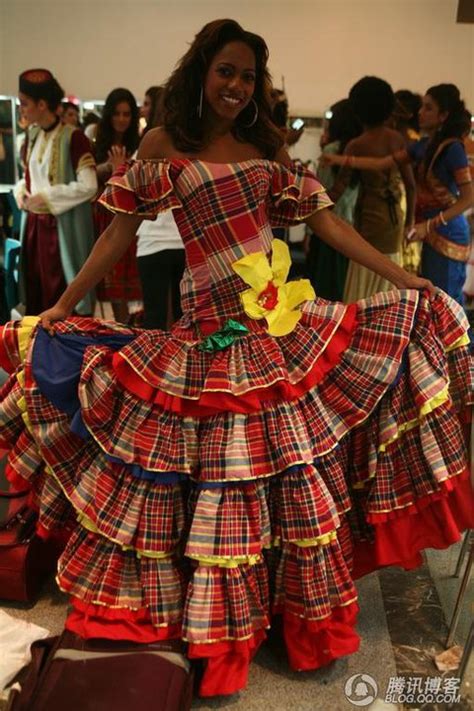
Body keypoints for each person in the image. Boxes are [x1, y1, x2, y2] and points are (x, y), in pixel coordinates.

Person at [0, 21, 472, 700]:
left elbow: (326, 222)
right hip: (202, 339)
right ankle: (218, 621)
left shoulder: (266, 145)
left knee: (282, 481)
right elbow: (117, 235)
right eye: (227, 71)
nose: (237, 86)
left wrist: (404, 282)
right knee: (214, 485)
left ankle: (282, 613)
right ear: (203, 71)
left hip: (274, 334)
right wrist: (61, 304)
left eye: (248, 76)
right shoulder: (165, 145)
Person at [324, 84, 472, 306]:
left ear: (443, 116)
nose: (420, 112)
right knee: (433, 301)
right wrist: (341, 159)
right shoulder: (423, 145)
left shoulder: (453, 149)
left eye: (428, 108)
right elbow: (382, 163)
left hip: (447, 231)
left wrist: (428, 225)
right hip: (421, 230)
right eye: (422, 107)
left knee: (446, 303)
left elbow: (469, 198)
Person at [13, 68, 97, 314]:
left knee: (60, 295)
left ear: (42, 104)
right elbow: (28, 178)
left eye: (24, 103)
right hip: (33, 228)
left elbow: (89, 186)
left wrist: (48, 198)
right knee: (35, 292)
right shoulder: (32, 136)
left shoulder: (74, 138)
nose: (21, 109)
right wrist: (22, 193)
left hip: (58, 230)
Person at [330, 76, 416, 302]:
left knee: (362, 286)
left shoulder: (356, 145)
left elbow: (339, 189)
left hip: (368, 220)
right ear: (388, 107)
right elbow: (411, 186)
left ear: (357, 111)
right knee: (391, 283)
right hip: (394, 220)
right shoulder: (397, 139)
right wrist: (410, 223)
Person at [92, 88, 141, 322]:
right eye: (116, 114)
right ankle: (117, 329)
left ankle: (128, 327)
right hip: (103, 217)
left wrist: (119, 170)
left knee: (129, 282)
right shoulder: (95, 144)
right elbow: (87, 185)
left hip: (130, 218)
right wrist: (108, 170)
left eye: (127, 114)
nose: (121, 119)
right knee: (108, 274)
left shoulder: (140, 145)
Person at [307, 98, 361, 300]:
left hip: (329, 228)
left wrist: (307, 231)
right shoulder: (360, 151)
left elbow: (319, 195)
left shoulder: (332, 151)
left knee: (324, 291)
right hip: (353, 229)